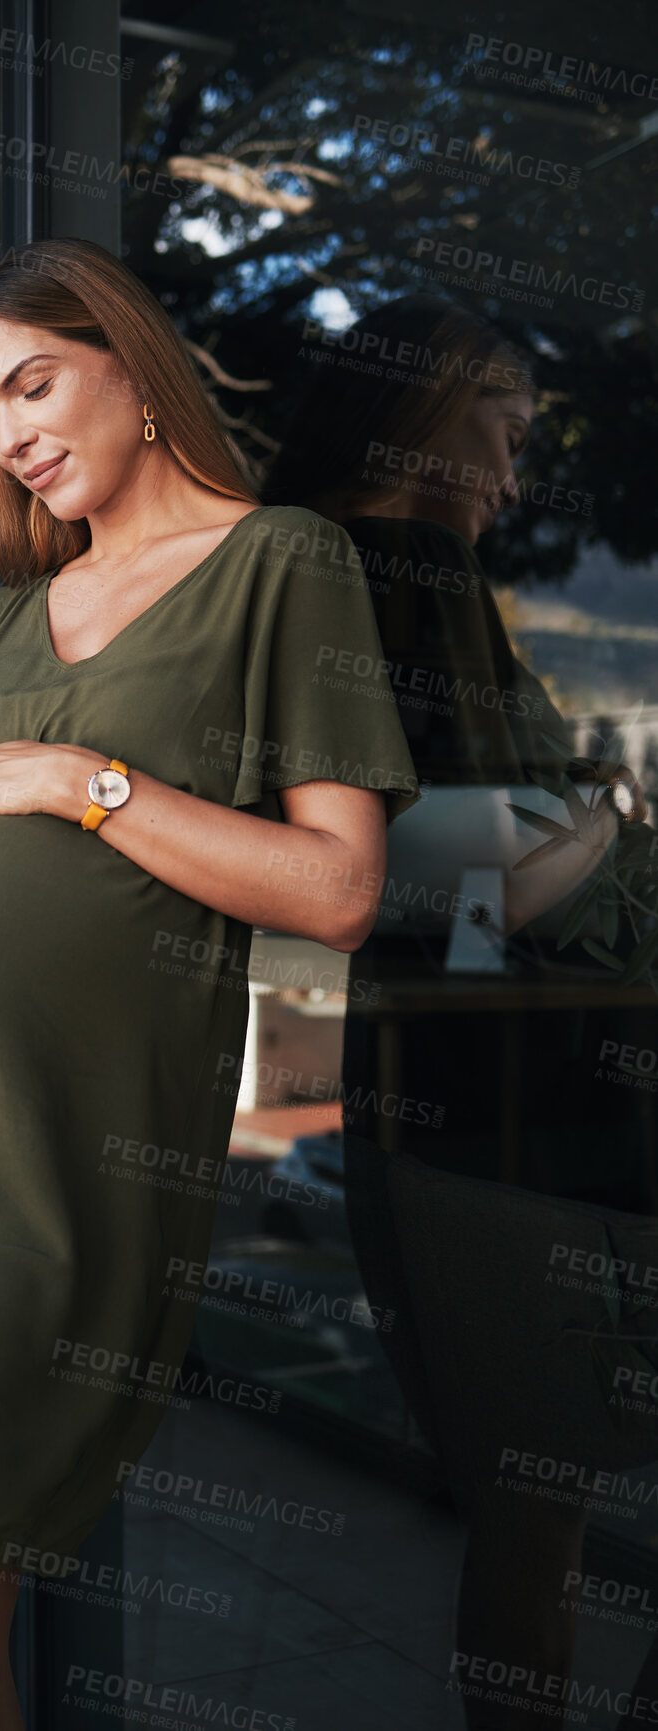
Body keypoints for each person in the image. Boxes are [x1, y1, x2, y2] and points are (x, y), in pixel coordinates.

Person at [0, 238, 420, 1731]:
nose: (14, 432)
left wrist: (80, 780)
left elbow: (340, 890)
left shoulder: (280, 564)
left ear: (134, 365)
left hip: (57, 1167)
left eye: (35, 382)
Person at [268, 295, 658, 1730]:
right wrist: (598, 827)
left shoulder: (292, 569)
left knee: (523, 1502)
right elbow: (510, 846)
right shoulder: (404, 566)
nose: (514, 472)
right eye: (505, 429)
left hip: (439, 1080)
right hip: (538, 1091)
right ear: (431, 409)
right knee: (538, 1510)